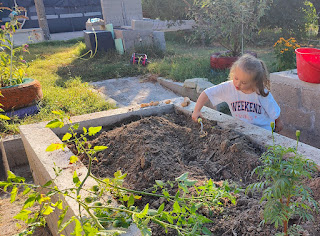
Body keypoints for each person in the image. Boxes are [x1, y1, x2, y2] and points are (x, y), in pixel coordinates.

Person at [192, 54, 283, 132]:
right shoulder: (229, 87)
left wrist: (278, 122)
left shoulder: (261, 93)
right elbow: (207, 93)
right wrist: (196, 111)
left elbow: (274, 112)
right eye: (236, 78)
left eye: (243, 82)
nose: (238, 84)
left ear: (255, 82)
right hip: (242, 129)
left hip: (263, 131)